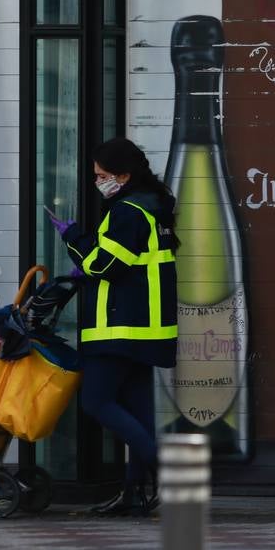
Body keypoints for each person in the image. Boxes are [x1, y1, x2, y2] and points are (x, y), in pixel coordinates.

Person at [49, 137, 179, 517]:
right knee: (137, 414)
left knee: (97, 401)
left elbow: (104, 265)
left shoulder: (129, 211)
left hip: (120, 325)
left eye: (102, 175)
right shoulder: (153, 206)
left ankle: (168, 474)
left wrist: (72, 238)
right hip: (147, 326)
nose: (98, 181)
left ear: (124, 174)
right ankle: (134, 495)